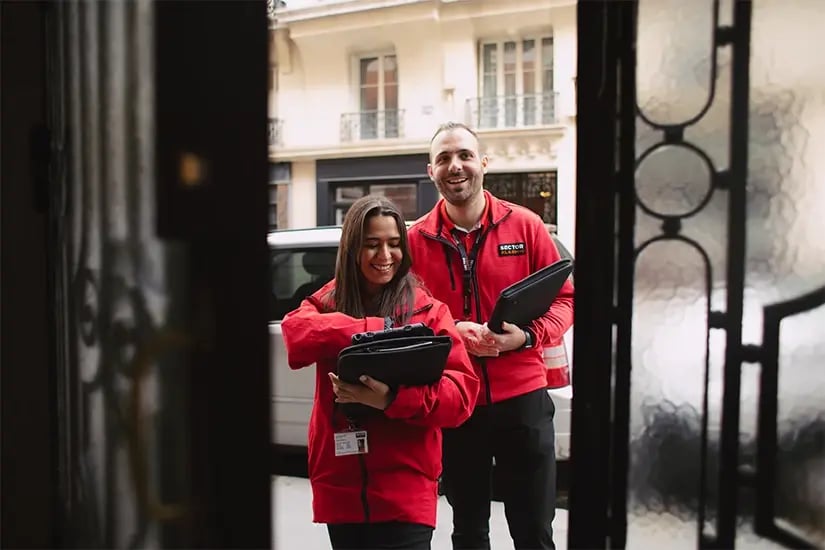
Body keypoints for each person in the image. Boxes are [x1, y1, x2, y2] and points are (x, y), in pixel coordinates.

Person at [407, 122, 575, 550]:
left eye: (464, 155)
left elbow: (566, 299)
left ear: (483, 162)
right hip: (456, 400)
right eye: (444, 158)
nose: (455, 166)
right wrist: (450, 332)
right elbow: (403, 316)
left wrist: (527, 337)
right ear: (431, 171)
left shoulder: (526, 226)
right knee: (468, 531)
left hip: (523, 400)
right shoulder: (414, 240)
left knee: (534, 531)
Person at [281, 195, 480, 550]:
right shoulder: (328, 301)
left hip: (405, 491)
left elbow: (461, 397)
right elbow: (296, 334)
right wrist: (373, 329)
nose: (385, 255)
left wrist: (391, 399)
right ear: (352, 249)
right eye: (372, 244)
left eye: (394, 243)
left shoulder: (428, 312)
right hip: (341, 488)